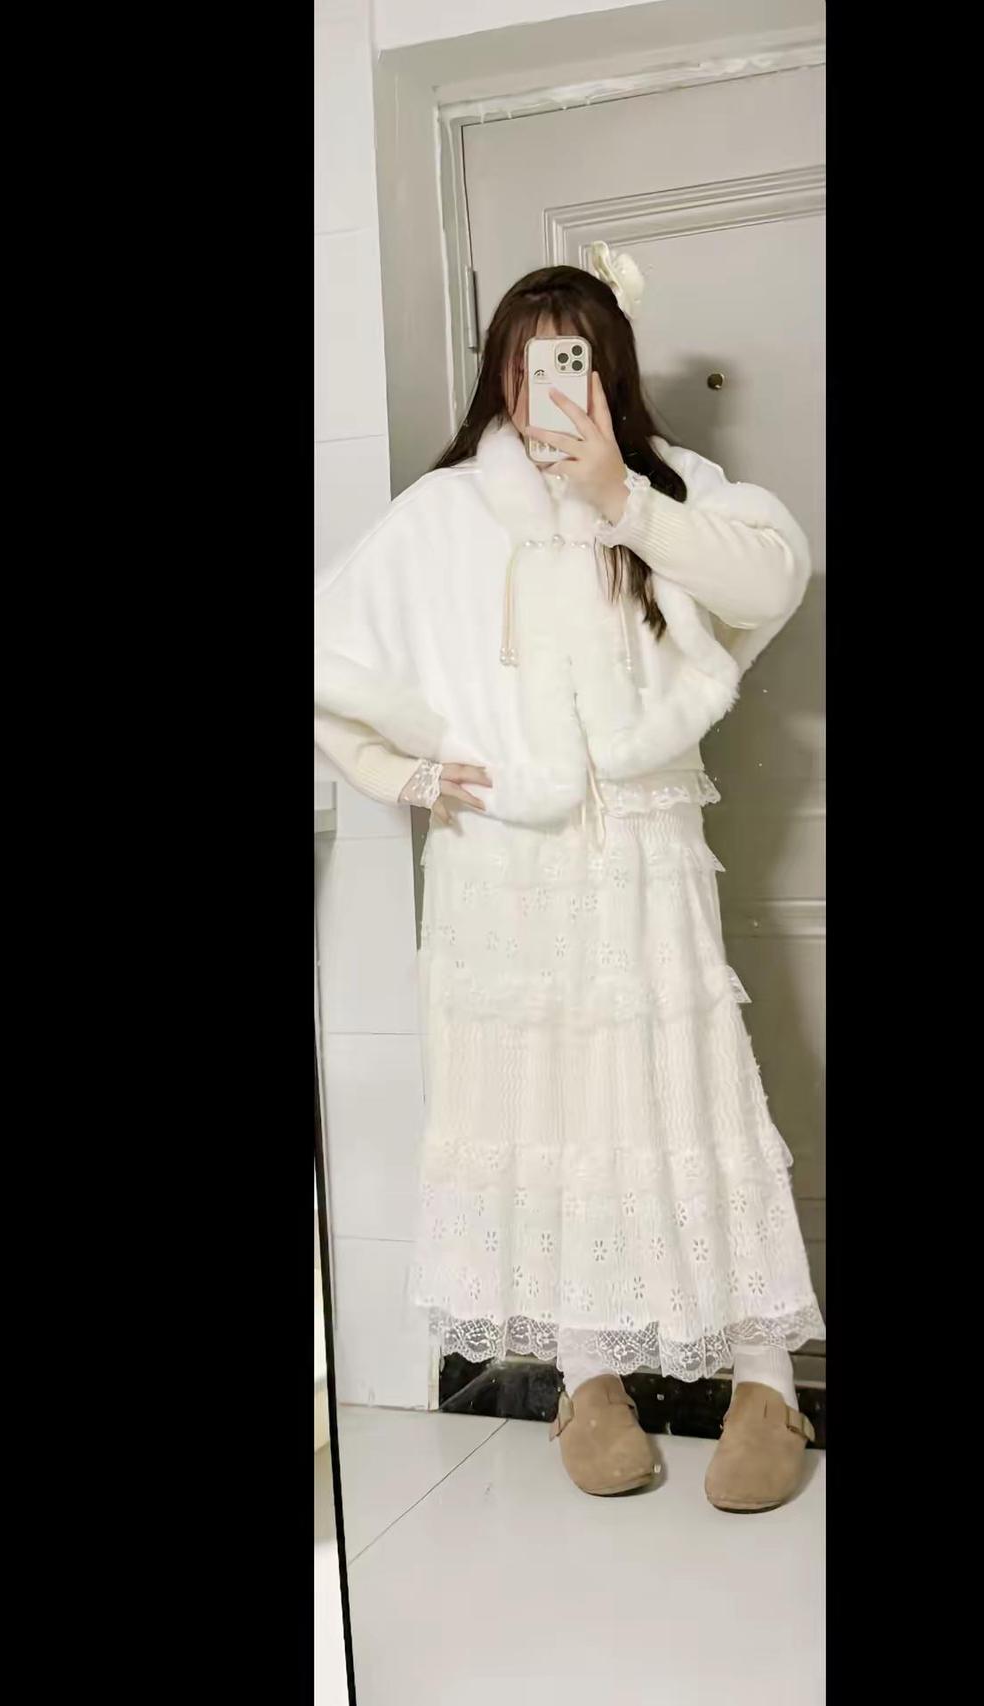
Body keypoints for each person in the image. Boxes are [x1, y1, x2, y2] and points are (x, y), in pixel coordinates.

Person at [315, 255, 824, 1511]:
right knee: (548, 1109)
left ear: (605, 371)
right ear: (498, 372)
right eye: (525, 358)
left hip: (644, 848)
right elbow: (326, 647)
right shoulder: (443, 511)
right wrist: (400, 769)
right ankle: (588, 1380)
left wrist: (620, 499)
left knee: (682, 1095)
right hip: (503, 864)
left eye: (571, 357)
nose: (544, 383)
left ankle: (764, 1379)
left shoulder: (665, 484)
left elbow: (771, 576)